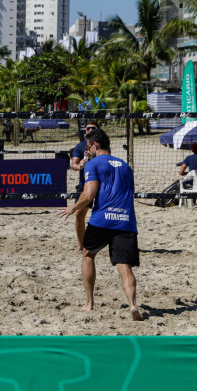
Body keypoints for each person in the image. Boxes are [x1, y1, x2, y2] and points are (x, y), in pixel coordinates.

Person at [58, 127, 142, 321]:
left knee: (88, 255)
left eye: (89, 146)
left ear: (95, 144)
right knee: (124, 266)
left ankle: (89, 303)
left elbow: (89, 195)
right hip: (126, 220)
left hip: (102, 219)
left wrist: (73, 208)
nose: (88, 149)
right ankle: (132, 304)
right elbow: (130, 195)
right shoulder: (126, 166)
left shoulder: (93, 163)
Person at [70, 122, 99, 250]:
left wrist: (91, 159)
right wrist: (81, 166)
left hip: (100, 183)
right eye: (89, 128)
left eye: (93, 128)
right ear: (85, 131)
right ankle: (81, 244)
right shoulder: (80, 146)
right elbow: (73, 165)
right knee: (79, 214)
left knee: (100, 214)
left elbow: (104, 161)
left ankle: (101, 241)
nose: (91, 130)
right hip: (84, 183)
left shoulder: (101, 146)